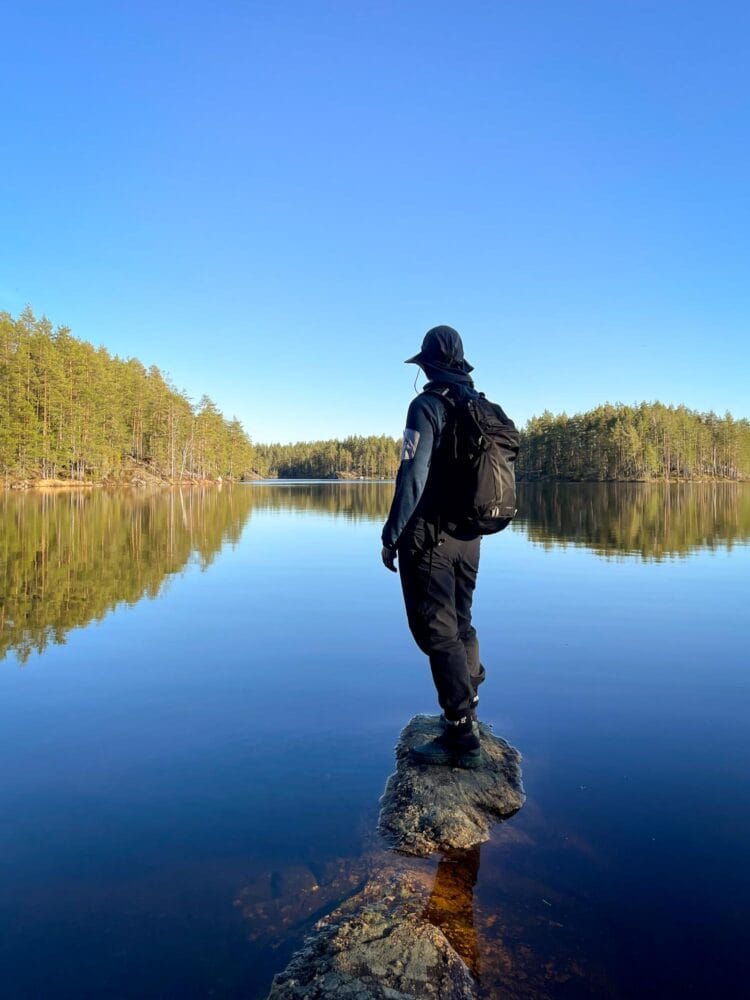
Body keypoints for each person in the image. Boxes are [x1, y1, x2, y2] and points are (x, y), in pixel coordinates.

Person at [381, 325, 489, 769]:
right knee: (460, 623)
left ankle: (461, 736)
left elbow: (413, 473)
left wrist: (392, 535)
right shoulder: (478, 406)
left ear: (426, 365)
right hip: (471, 537)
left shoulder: (425, 405)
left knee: (436, 632)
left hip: (432, 538)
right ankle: (470, 704)